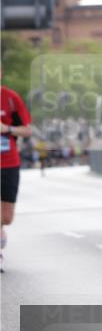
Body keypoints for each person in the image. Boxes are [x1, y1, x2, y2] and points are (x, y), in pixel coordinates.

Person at [1, 76, 33, 273]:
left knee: (6, 216)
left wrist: (7, 128)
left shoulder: (11, 98)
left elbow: (27, 131)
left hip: (9, 163)